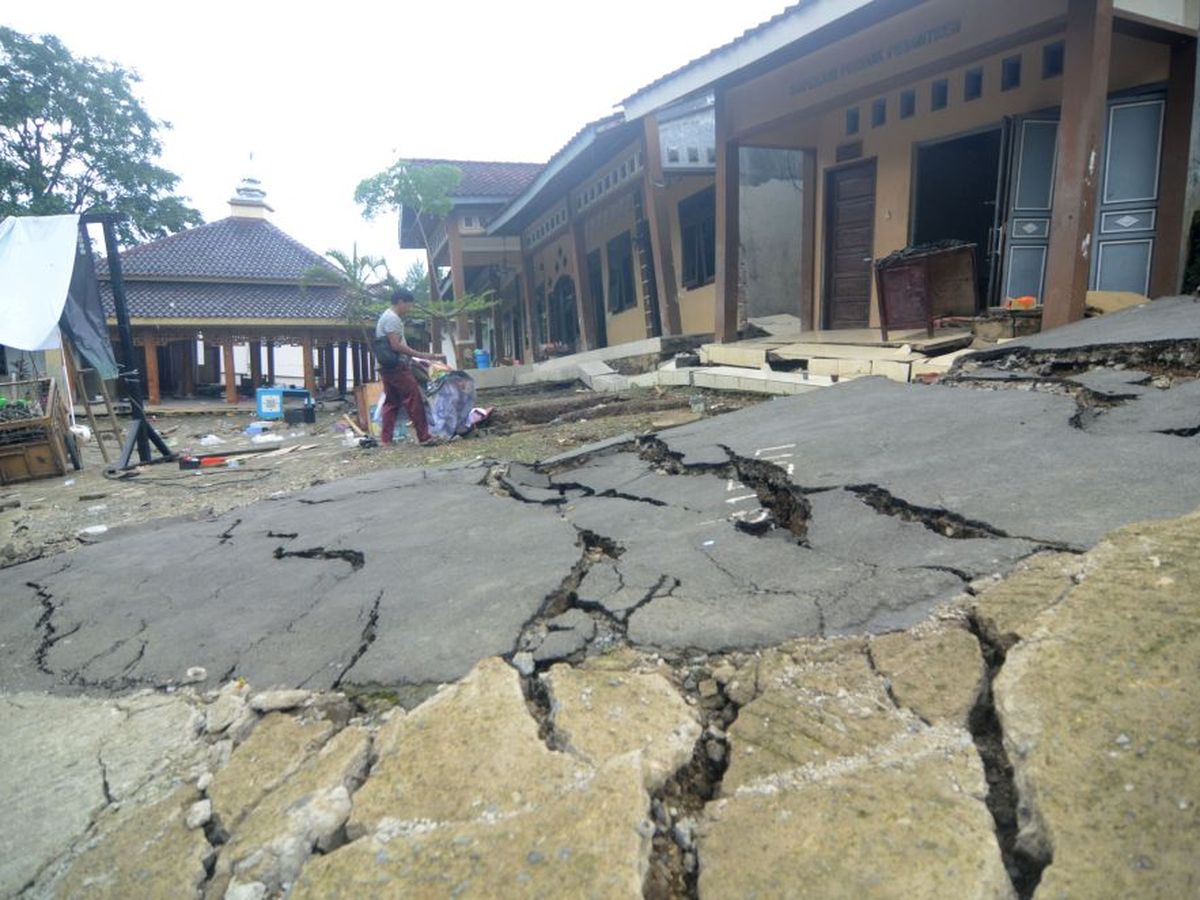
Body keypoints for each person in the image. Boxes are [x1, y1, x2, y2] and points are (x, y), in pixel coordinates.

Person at [375, 288, 442, 446]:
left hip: (386, 366)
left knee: (391, 402)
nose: (408, 309)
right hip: (397, 366)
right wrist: (421, 355)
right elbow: (396, 345)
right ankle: (424, 437)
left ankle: (386, 439)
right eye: (408, 305)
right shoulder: (393, 319)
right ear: (400, 302)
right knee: (414, 399)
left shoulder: (385, 316)